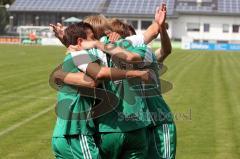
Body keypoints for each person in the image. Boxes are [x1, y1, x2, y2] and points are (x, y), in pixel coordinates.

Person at [51, 22, 150, 159]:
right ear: (80, 41)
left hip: (61, 135)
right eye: (93, 37)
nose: (96, 40)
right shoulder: (79, 55)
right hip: (76, 134)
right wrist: (135, 73)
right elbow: (97, 77)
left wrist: (61, 74)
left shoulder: (72, 57)